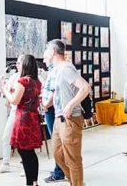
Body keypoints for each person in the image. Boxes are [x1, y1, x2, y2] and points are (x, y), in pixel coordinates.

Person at [43, 39, 91, 186]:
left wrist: (70, 105)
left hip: (70, 119)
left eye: (46, 51)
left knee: (72, 158)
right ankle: (74, 182)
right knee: (58, 155)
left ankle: (77, 183)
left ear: (53, 52)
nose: (44, 54)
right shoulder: (57, 70)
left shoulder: (66, 69)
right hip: (59, 118)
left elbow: (85, 87)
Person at [1, 54, 43, 186]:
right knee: (30, 151)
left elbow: (14, 100)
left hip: (23, 119)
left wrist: (5, 90)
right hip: (33, 118)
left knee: (23, 151)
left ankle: (29, 182)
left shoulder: (23, 81)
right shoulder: (37, 81)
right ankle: (34, 181)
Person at [0, 62, 23, 174]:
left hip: (23, 112)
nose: (17, 65)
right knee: (5, 137)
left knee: (22, 141)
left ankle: (25, 165)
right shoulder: (14, 76)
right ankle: (5, 163)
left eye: (20, 63)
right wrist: (2, 83)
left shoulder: (28, 78)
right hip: (13, 111)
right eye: (17, 63)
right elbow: (6, 93)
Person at [41, 57, 67, 183]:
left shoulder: (56, 70)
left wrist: (46, 105)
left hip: (51, 109)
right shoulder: (53, 70)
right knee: (57, 142)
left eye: (46, 57)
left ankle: (59, 172)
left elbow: (53, 92)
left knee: (57, 144)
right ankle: (60, 169)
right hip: (50, 108)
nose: (44, 60)